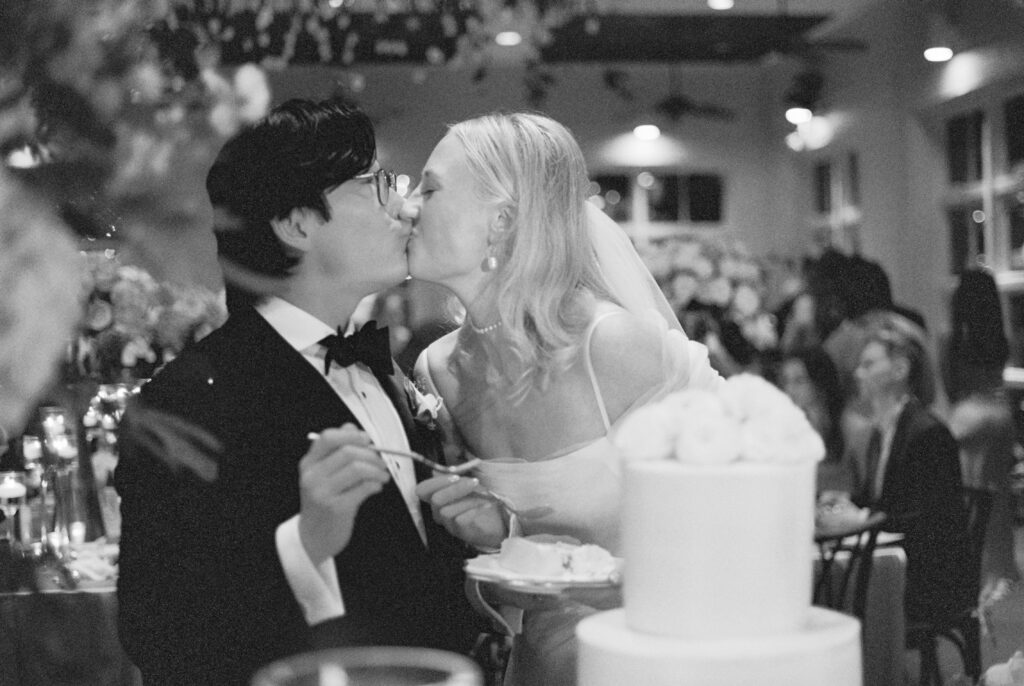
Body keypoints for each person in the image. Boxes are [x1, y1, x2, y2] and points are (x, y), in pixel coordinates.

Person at [115, 99, 484, 686]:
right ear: (297, 223)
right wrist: (304, 544)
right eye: (377, 184)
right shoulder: (185, 402)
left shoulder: (381, 369)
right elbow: (158, 633)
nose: (406, 207)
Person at [399, 113, 723, 686]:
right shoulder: (439, 371)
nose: (408, 207)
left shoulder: (615, 348)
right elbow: (492, 572)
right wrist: (502, 536)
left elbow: (740, 506)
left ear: (500, 221)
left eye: (429, 188)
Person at [850, 316, 974, 625]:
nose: (858, 373)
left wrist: (863, 519)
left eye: (868, 364)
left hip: (930, 577)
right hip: (898, 559)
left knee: (840, 591)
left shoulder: (927, 433)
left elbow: (930, 521)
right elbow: (876, 500)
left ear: (900, 370)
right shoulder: (882, 431)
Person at [941, 269, 1021, 603]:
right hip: (1000, 417)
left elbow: (951, 387)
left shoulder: (952, 339)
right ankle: (1001, 570)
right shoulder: (1000, 336)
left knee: (970, 498)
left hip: (967, 419)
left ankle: (974, 571)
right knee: (998, 499)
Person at [775, 346, 848, 492]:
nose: (790, 390)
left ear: (820, 382)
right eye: (786, 381)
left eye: (799, 381)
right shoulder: (786, 430)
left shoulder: (852, 430)